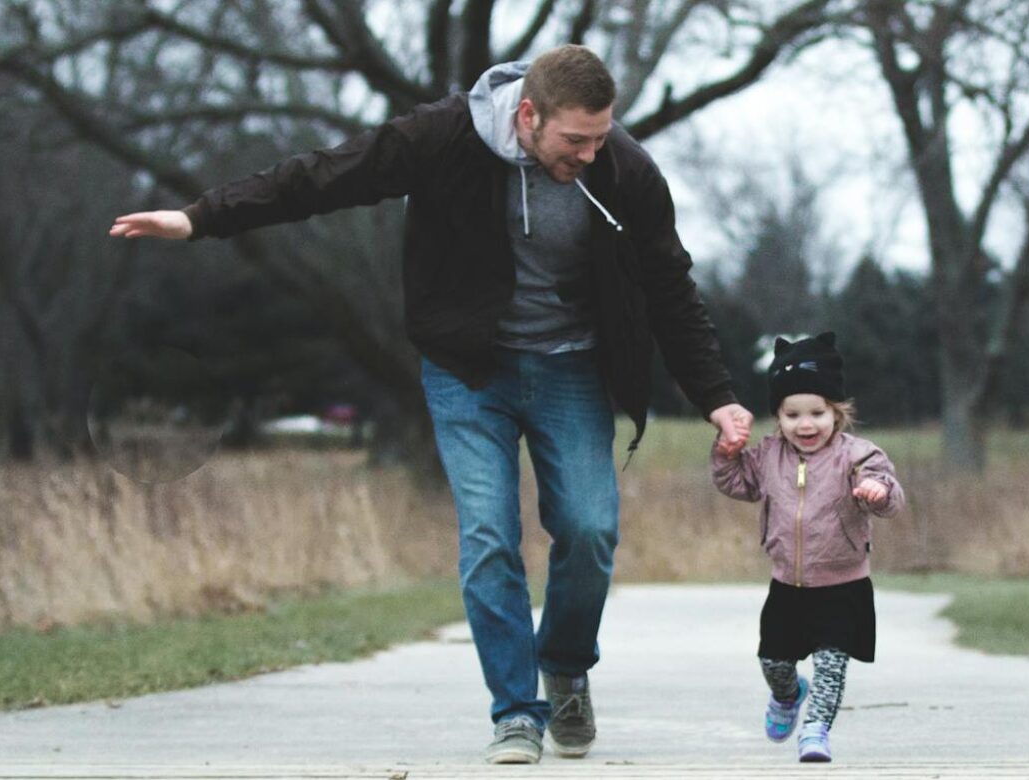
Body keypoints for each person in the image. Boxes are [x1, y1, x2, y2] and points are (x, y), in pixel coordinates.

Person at [109, 45, 753, 764]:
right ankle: (516, 711)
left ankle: (566, 665)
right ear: (528, 114)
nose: (589, 154)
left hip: (570, 367)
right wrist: (200, 218)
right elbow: (325, 176)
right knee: (488, 538)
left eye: (601, 137)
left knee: (590, 529)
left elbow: (671, 287)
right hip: (467, 369)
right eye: (576, 140)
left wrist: (718, 400)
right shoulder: (443, 136)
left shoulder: (625, 170)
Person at [710, 332, 903, 763]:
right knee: (774, 663)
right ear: (777, 417)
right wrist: (726, 454)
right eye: (792, 414)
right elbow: (735, 483)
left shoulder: (858, 457)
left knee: (832, 667)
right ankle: (789, 693)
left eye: (817, 412)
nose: (806, 424)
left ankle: (816, 732)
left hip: (843, 586)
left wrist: (878, 490)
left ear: (837, 412)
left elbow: (891, 494)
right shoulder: (767, 456)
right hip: (787, 586)